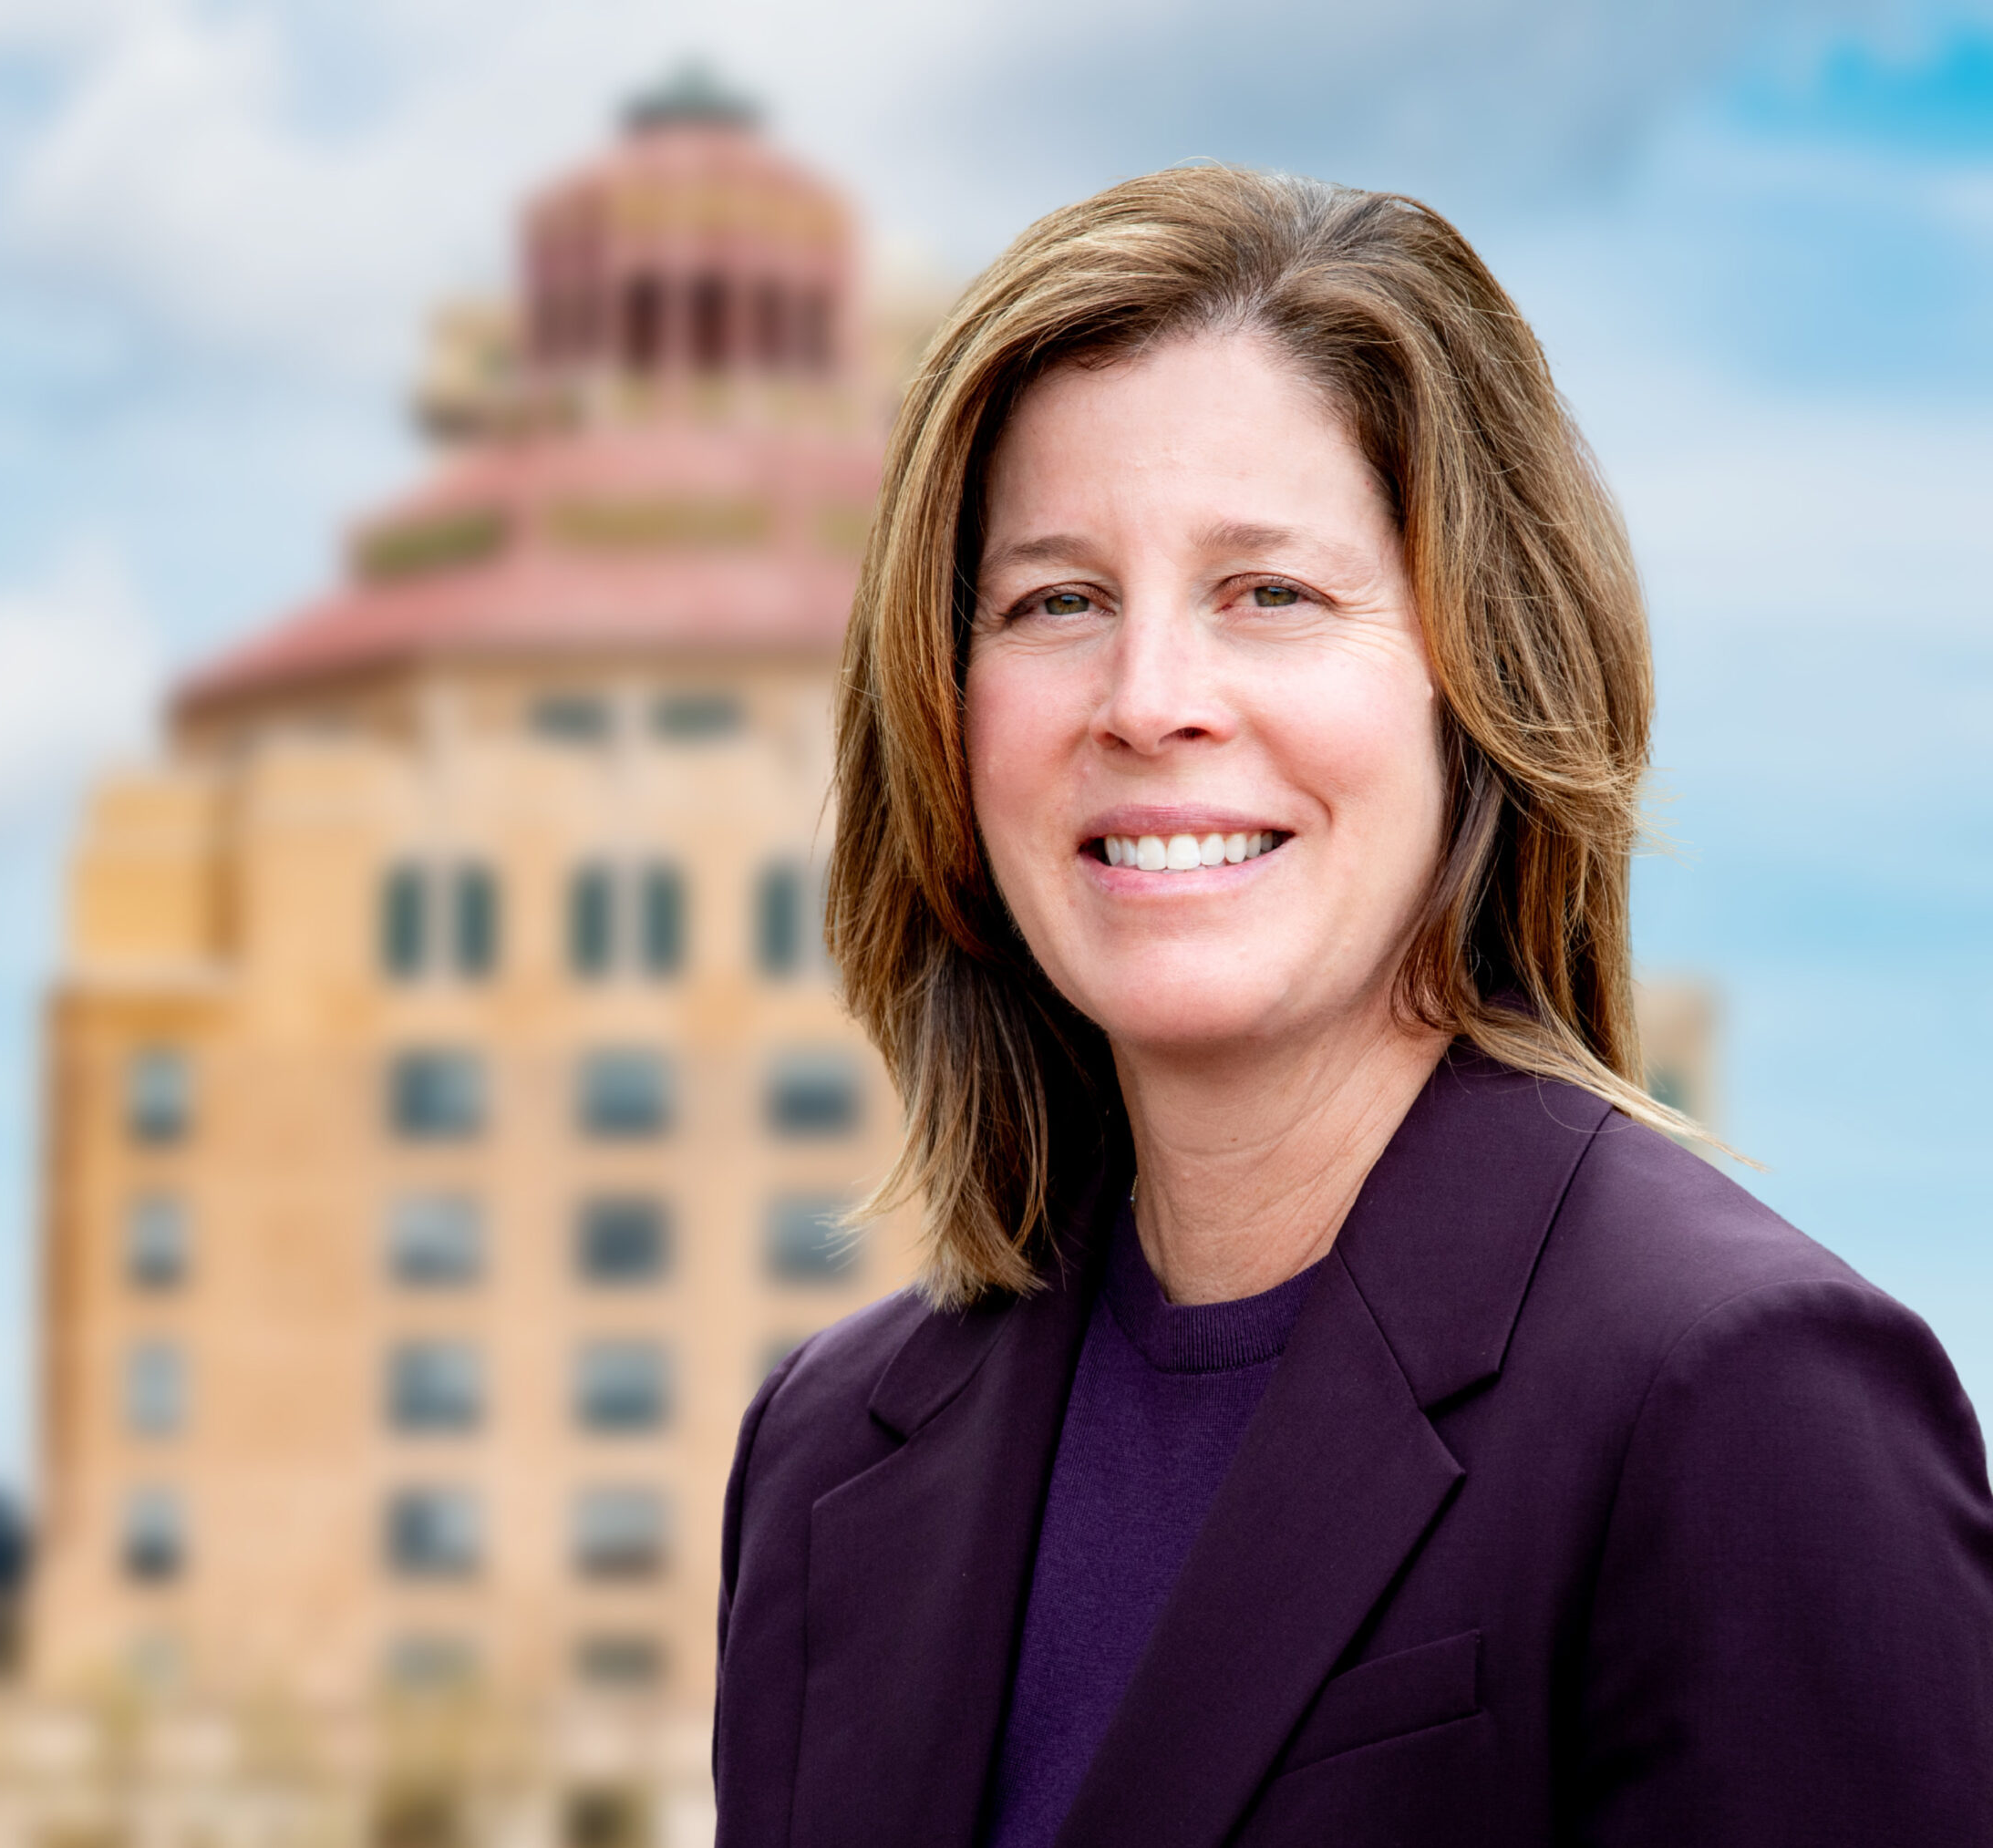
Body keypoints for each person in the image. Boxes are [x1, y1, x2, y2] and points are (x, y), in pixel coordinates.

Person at [709, 166, 1993, 1847]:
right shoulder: (823, 1452)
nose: (1149, 701)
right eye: (1054, 602)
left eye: (1272, 594)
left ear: (1488, 678)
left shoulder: (1740, 1403)